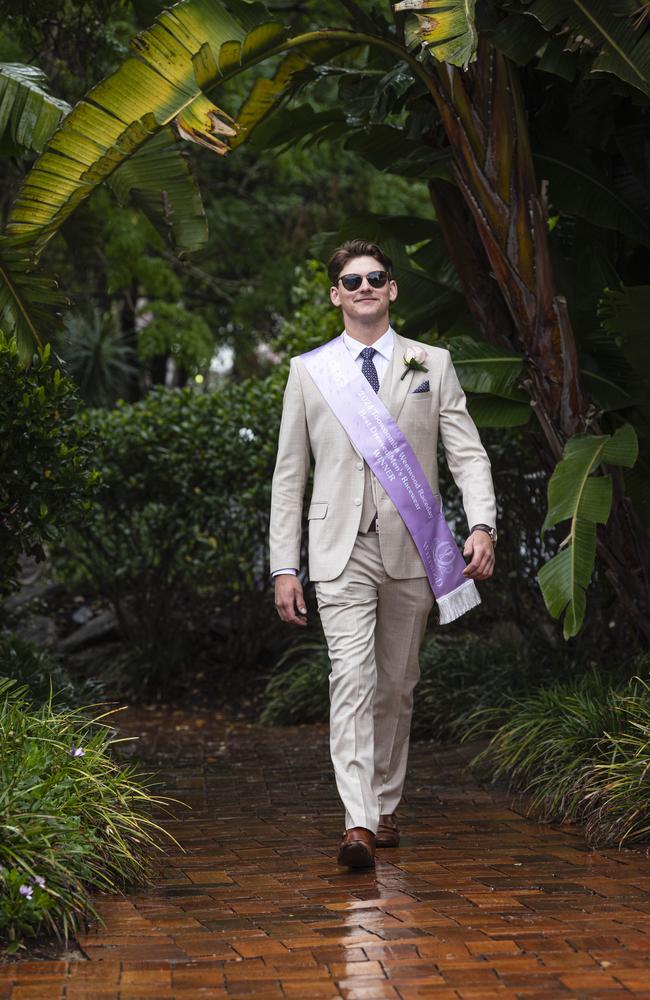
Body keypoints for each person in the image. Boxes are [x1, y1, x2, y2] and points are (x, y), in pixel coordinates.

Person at [269, 239, 497, 868]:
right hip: (338, 550)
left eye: (376, 278)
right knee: (351, 677)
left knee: (397, 684)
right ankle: (358, 822)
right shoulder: (310, 372)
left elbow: (467, 453)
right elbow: (290, 475)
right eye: (352, 280)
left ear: (392, 289)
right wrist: (283, 564)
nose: (364, 287)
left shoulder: (434, 363)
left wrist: (482, 525)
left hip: (411, 550)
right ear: (335, 295)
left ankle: (386, 805)